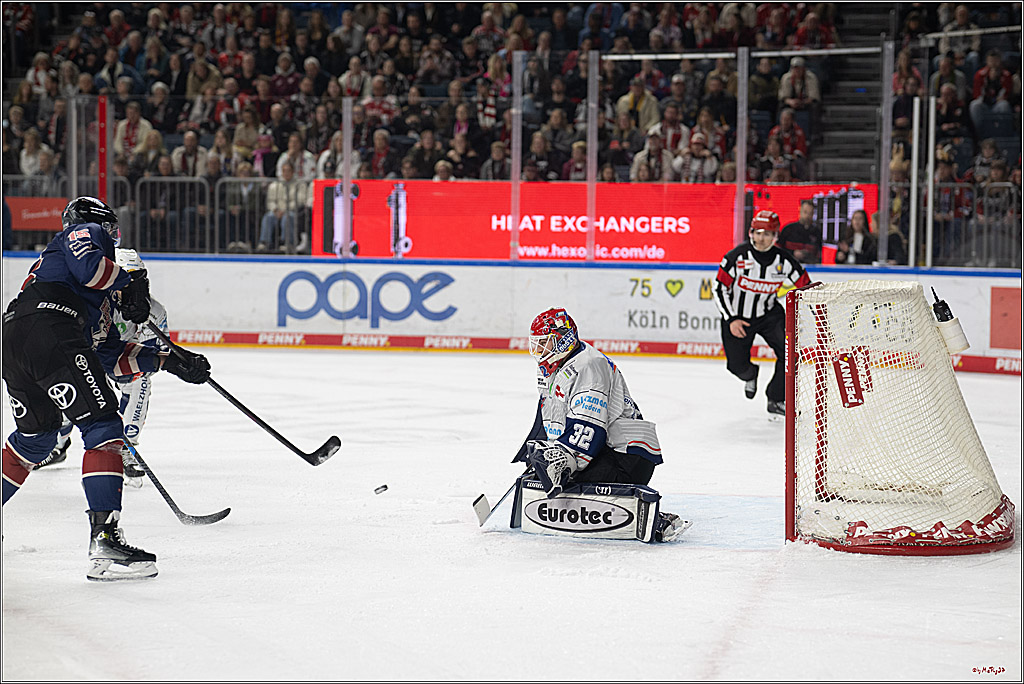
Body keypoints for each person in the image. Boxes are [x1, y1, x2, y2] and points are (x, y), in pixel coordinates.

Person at [2, 197, 210, 581]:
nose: (113, 236)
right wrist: (131, 282)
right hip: (49, 329)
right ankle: (105, 541)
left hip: (18, 338)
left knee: (36, 440)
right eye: (112, 229)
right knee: (103, 427)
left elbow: (108, 356)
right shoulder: (84, 232)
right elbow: (92, 268)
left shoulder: (89, 298)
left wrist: (170, 361)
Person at [512, 308, 688, 543]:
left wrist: (560, 464)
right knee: (548, 480)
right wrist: (539, 455)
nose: (539, 350)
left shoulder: (589, 366)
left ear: (563, 339)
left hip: (628, 456)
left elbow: (589, 429)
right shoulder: (553, 367)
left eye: (545, 343)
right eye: (537, 343)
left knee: (567, 484)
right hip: (602, 448)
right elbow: (549, 414)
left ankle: (650, 517)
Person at [37, 248, 171, 489]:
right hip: (90, 359)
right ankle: (58, 444)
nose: (129, 287)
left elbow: (155, 354)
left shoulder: (155, 311)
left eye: (136, 280)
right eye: (124, 281)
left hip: (123, 361)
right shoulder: (93, 303)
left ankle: (126, 448)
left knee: (140, 381)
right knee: (70, 396)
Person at [714, 210, 811, 417]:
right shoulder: (736, 257)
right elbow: (719, 289)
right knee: (736, 367)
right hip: (737, 317)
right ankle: (751, 374)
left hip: (769, 315)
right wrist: (731, 319)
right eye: (757, 232)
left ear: (775, 236)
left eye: (767, 234)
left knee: (790, 354)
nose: (761, 238)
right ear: (751, 233)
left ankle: (776, 398)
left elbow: (806, 286)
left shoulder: (784, 261)